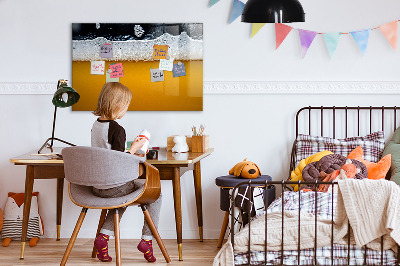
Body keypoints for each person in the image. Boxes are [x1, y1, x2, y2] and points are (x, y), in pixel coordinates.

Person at [91, 82, 161, 263]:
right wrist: (136, 148)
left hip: (97, 186)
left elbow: (108, 154)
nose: (126, 110)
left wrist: (130, 149)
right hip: (114, 186)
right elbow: (119, 161)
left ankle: (103, 238)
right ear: (117, 105)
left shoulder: (96, 125)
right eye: (126, 106)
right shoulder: (117, 129)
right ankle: (147, 240)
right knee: (156, 194)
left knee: (121, 197)